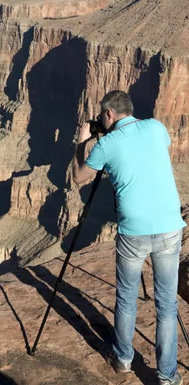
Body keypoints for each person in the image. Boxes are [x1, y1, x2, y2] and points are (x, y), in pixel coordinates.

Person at [72, 90, 186, 385]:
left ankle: (123, 359)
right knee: (166, 305)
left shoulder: (107, 144)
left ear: (109, 114)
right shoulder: (156, 127)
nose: (99, 119)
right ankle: (167, 376)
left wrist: (81, 143)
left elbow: (79, 177)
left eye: (101, 115)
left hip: (134, 232)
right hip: (170, 227)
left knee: (126, 298)